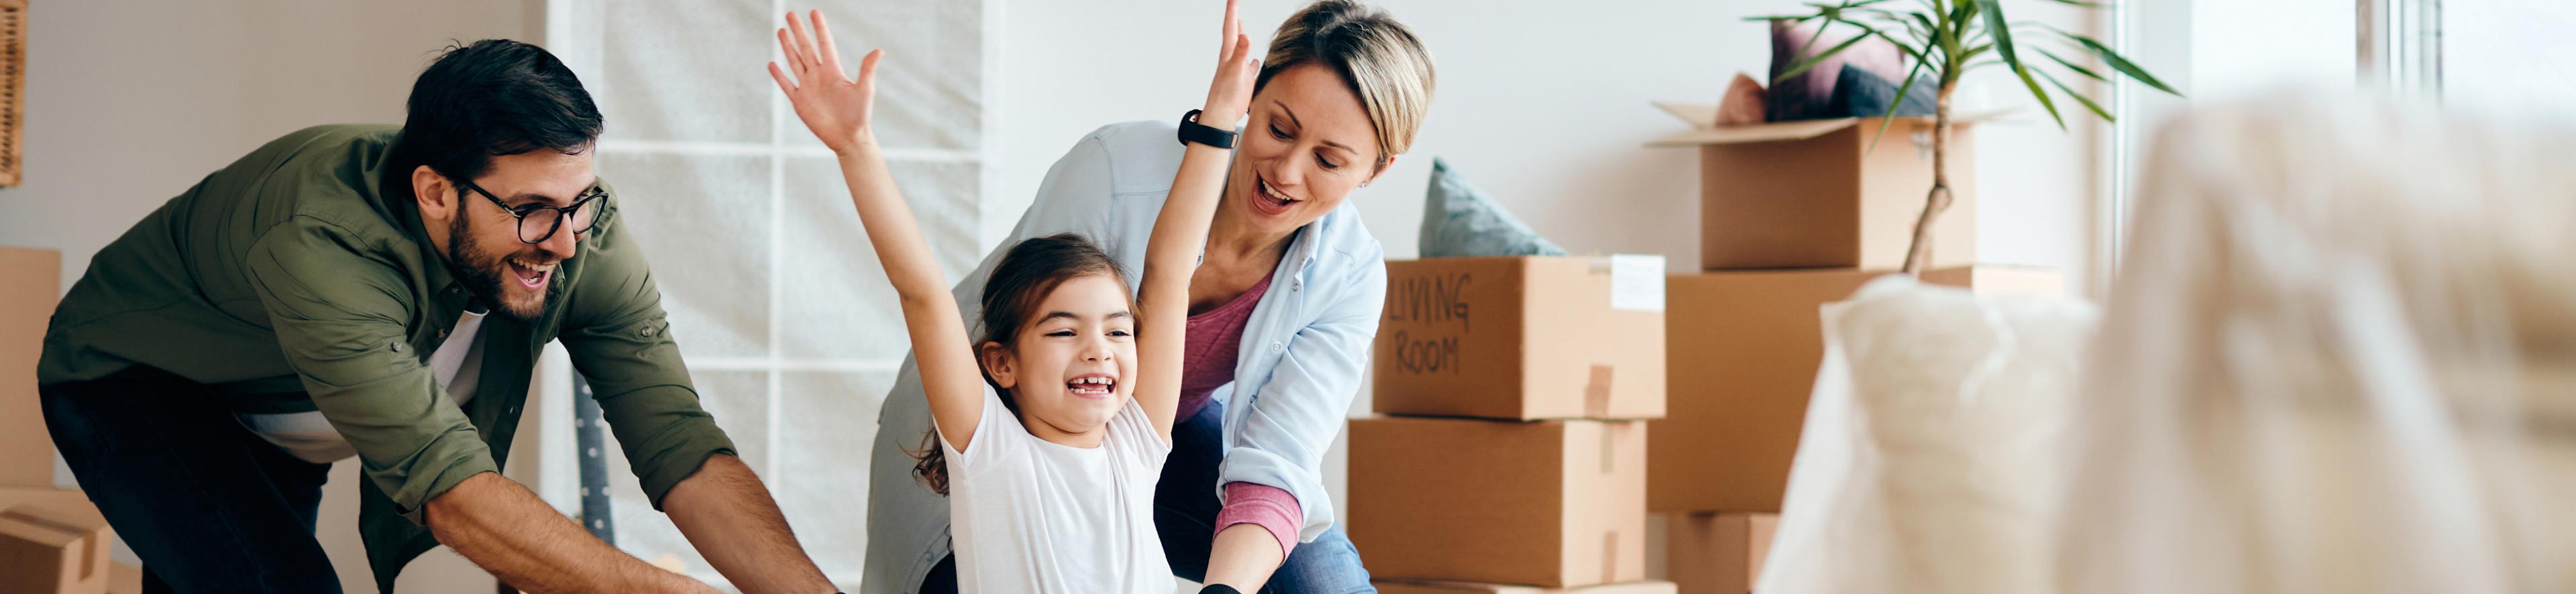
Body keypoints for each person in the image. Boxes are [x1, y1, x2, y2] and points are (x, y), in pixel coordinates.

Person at [34, 40, 835, 593]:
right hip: (133, 379)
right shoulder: (322, 245)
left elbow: (680, 447)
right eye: (529, 209)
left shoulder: (579, 230)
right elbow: (452, 491)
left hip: (282, 407)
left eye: (578, 200)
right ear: (435, 191)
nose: (562, 240)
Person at [859, 1, 1437, 592]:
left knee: (1323, 580)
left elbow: (1274, 458)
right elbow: (929, 299)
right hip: (1003, 425)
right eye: (1278, 129)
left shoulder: (1345, 276)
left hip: (1147, 446)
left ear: (1377, 169)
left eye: (1328, 160)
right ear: (1253, 100)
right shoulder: (1115, 173)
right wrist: (857, 147)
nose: (1287, 172)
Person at [767, 5, 1252, 591]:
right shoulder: (992, 454)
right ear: (1002, 362)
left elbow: (1170, 273)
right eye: (1065, 330)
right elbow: (922, 293)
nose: (1099, 349)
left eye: (1118, 330)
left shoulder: (1134, 447)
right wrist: (856, 148)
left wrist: (1220, 121)